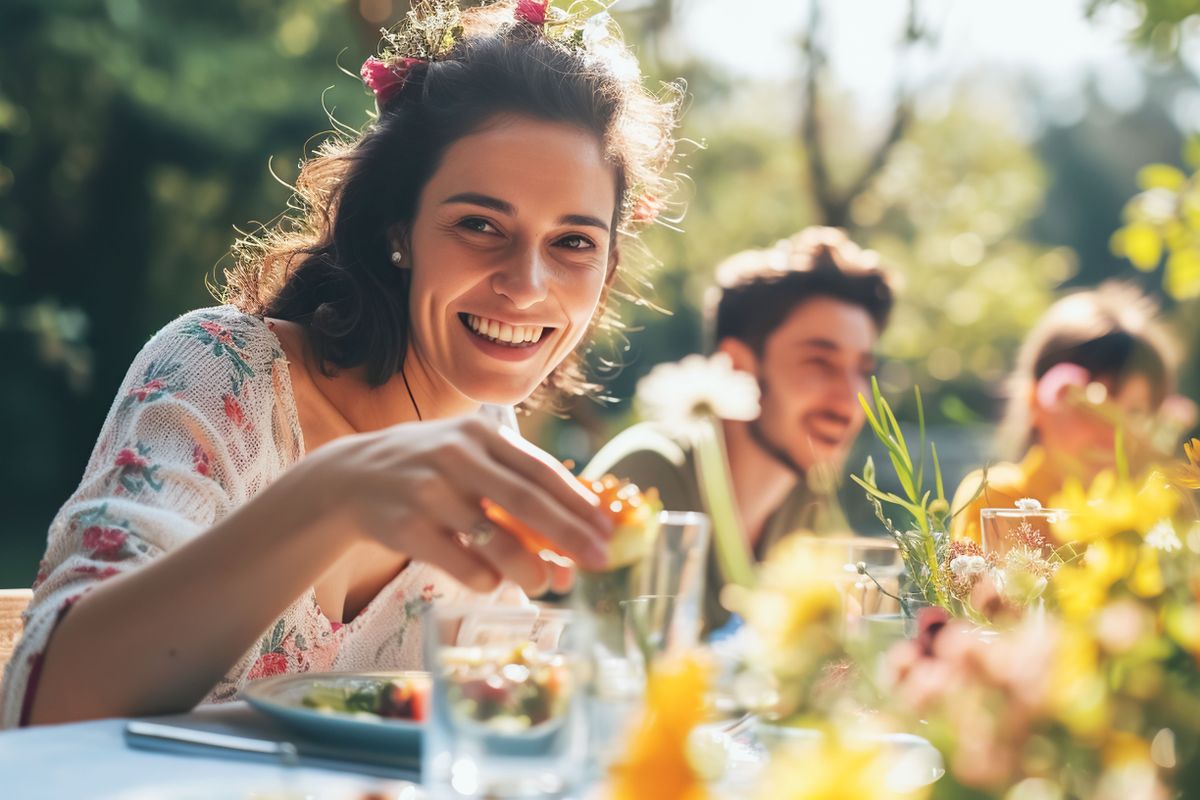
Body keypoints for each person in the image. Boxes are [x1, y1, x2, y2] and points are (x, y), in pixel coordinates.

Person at [0, 0, 681, 727]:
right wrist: (333, 497)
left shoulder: (495, 463)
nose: (527, 285)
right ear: (400, 233)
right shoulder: (223, 373)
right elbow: (41, 709)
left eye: (574, 242)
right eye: (480, 225)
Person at [586, 227, 896, 632]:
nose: (852, 399)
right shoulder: (647, 478)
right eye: (820, 363)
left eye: (864, 371)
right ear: (738, 364)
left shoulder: (807, 503)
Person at [951, 282, 1184, 544]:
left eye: (1135, 412)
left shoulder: (1154, 514)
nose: (1114, 432)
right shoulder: (997, 498)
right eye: (1090, 406)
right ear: (1035, 400)